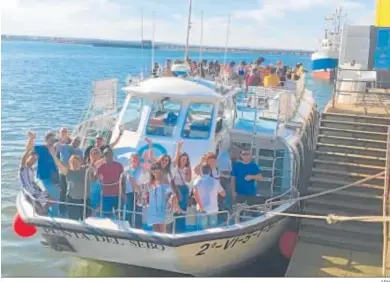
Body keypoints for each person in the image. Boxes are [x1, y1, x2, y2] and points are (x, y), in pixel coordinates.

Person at [49, 148, 91, 221]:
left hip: (85, 200)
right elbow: (58, 164)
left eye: (76, 162)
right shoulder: (68, 171)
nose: (74, 164)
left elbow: (94, 165)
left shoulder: (85, 170)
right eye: (72, 162)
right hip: (72, 200)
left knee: (86, 219)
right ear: (70, 164)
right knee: (73, 220)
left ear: (80, 162)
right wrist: (53, 155)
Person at [27, 131, 60, 217]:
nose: (52, 142)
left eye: (54, 140)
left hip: (54, 178)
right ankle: (52, 217)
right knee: (53, 199)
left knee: (54, 198)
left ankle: (51, 215)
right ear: (46, 140)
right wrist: (31, 139)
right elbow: (29, 149)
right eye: (51, 140)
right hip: (44, 178)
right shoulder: (41, 148)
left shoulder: (54, 148)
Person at [19, 131, 49, 215]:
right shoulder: (23, 168)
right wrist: (31, 139)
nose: (34, 161)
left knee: (52, 198)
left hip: (35, 191)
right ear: (28, 158)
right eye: (32, 158)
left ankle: (45, 212)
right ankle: (42, 214)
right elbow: (25, 154)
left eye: (35, 160)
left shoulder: (32, 169)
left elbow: (33, 182)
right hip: (30, 193)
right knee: (42, 209)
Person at [54, 136, 83, 216]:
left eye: (78, 141)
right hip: (63, 172)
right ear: (72, 140)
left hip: (72, 174)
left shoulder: (80, 151)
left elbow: (81, 162)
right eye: (75, 140)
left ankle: (69, 209)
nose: (76, 142)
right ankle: (62, 210)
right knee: (63, 191)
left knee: (70, 192)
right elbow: (55, 147)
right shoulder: (64, 147)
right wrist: (62, 139)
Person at [96, 148, 126, 218]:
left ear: (112, 155)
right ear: (104, 156)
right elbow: (94, 178)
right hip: (106, 195)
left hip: (117, 195)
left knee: (119, 216)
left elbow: (123, 180)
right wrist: (93, 165)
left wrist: (123, 193)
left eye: (109, 154)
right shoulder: (101, 166)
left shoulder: (119, 165)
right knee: (106, 216)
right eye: (106, 154)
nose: (108, 156)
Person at [193, 164, 225, 230]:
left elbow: (194, 193)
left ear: (201, 171)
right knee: (213, 230)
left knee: (201, 231)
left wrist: (201, 206)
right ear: (210, 171)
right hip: (213, 209)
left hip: (201, 209)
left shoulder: (197, 181)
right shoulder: (215, 181)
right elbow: (223, 194)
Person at [147, 162, 177, 233]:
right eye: (152, 169)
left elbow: (171, 193)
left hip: (162, 208)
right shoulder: (150, 182)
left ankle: (164, 243)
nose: (154, 170)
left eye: (156, 168)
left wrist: (173, 204)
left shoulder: (164, 180)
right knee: (155, 230)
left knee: (162, 230)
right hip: (153, 208)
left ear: (160, 170)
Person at [172, 140, 192, 232]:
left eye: (186, 159)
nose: (184, 160)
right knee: (176, 209)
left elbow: (188, 180)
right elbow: (175, 161)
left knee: (183, 209)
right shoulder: (175, 168)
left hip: (184, 189)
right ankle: (175, 228)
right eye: (183, 159)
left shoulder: (187, 168)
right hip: (177, 188)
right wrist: (179, 147)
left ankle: (181, 228)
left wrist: (188, 170)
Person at [124, 153, 144, 224]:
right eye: (134, 158)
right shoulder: (126, 169)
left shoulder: (142, 170)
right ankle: (128, 227)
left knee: (138, 212)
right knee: (129, 211)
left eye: (137, 158)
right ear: (130, 159)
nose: (135, 159)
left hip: (139, 193)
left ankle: (138, 228)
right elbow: (124, 182)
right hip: (129, 193)